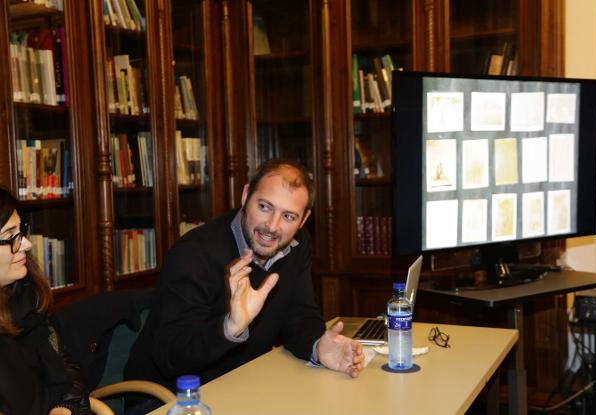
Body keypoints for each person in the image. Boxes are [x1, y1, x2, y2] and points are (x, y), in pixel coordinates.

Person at [125, 159, 364, 392]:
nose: (271, 227)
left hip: (244, 384)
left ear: (303, 220)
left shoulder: (298, 245)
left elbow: (299, 314)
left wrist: (317, 346)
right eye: (264, 207)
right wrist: (229, 328)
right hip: (170, 398)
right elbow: (169, 356)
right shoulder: (194, 253)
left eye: (288, 216)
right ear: (245, 196)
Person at [0, 187, 90, 414]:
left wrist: (64, 406)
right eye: (10, 236)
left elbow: (65, 363)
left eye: (21, 231)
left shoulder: (24, 296)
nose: (27, 244)